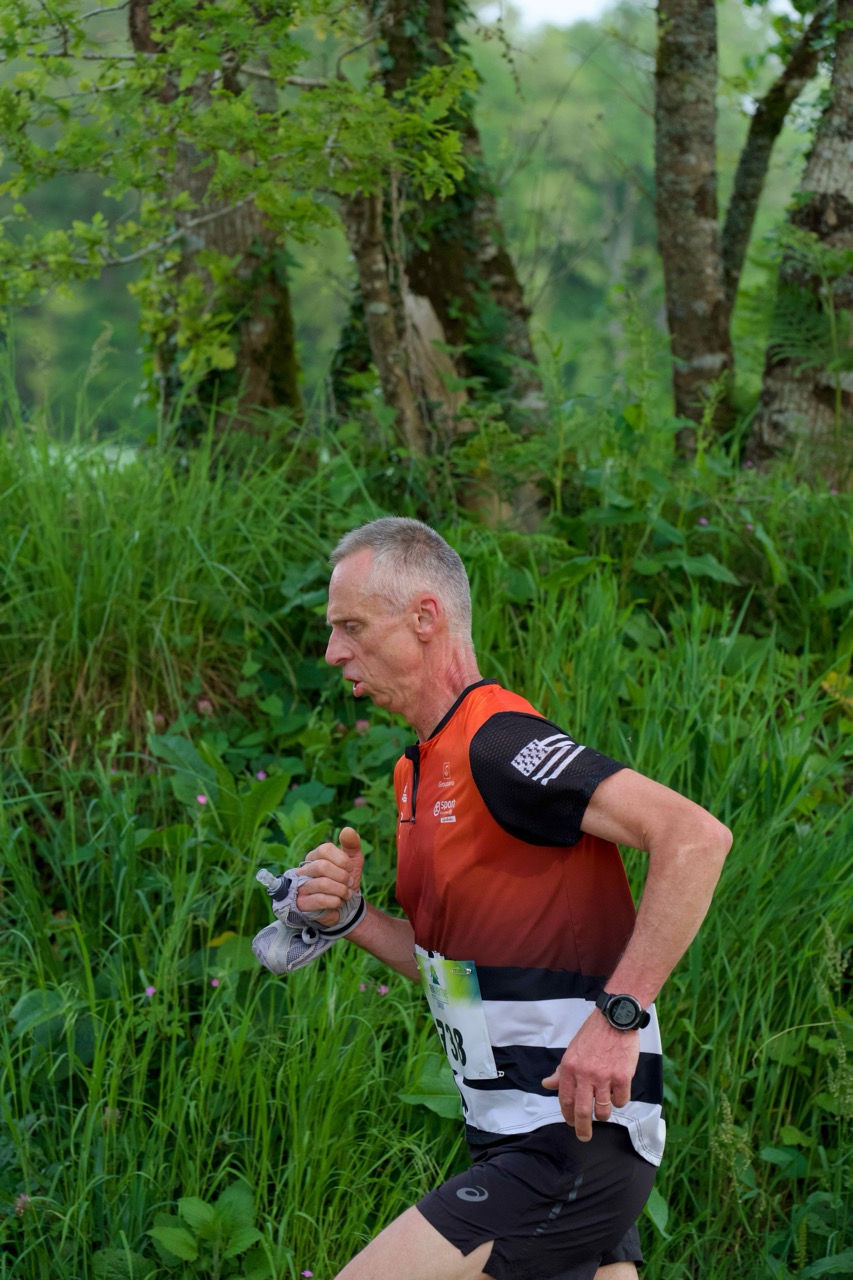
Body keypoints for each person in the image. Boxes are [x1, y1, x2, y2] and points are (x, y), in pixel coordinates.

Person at [271, 517, 732, 1280]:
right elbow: (452, 972)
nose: (332, 652)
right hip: (513, 1135)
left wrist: (618, 1017)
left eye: (351, 627)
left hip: (569, 1141)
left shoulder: (499, 742)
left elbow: (693, 838)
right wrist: (349, 918)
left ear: (424, 617)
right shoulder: (416, 771)